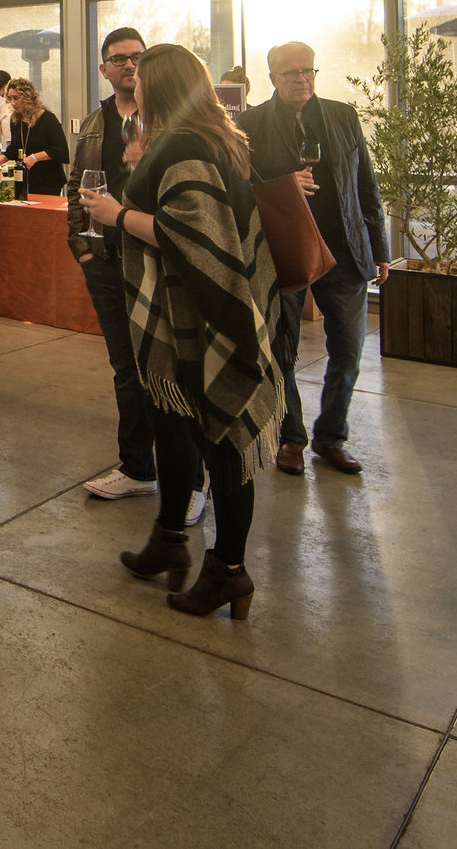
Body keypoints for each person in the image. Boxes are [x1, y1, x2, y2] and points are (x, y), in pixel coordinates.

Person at [83, 44, 281, 621]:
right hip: (188, 319)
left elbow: (191, 236)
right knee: (172, 426)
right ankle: (170, 538)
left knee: (219, 436)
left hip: (201, 320)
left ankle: (229, 571)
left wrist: (114, 214)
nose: (133, 85)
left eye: (141, 78)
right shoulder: (211, 137)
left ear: (159, 86)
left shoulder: (183, 145)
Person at [238, 41, 388, 477]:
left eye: (309, 70)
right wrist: (285, 183)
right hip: (285, 251)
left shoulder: (342, 116)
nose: (302, 78)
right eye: (291, 73)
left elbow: (366, 183)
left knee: (348, 351)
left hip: (344, 251)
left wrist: (379, 248)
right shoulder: (250, 123)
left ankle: (331, 436)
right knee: (283, 351)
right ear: (272, 78)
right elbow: (238, 188)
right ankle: (292, 437)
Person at [71, 28, 165, 503]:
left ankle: (186, 475)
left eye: (137, 57)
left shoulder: (167, 121)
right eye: (119, 59)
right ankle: (136, 467)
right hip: (106, 263)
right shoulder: (93, 123)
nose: (129, 65)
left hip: (157, 261)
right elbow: (76, 188)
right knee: (125, 368)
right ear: (104, 68)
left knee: (166, 367)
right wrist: (82, 251)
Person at [3, 77, 67, 196]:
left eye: (16, 98)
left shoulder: (48, 119)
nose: (13, 103)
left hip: (48, 180)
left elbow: (61, 150)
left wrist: (35, 157)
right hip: (26, 179)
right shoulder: (15, 120)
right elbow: (14, 148)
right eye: (10, 98)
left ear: (28, 98)